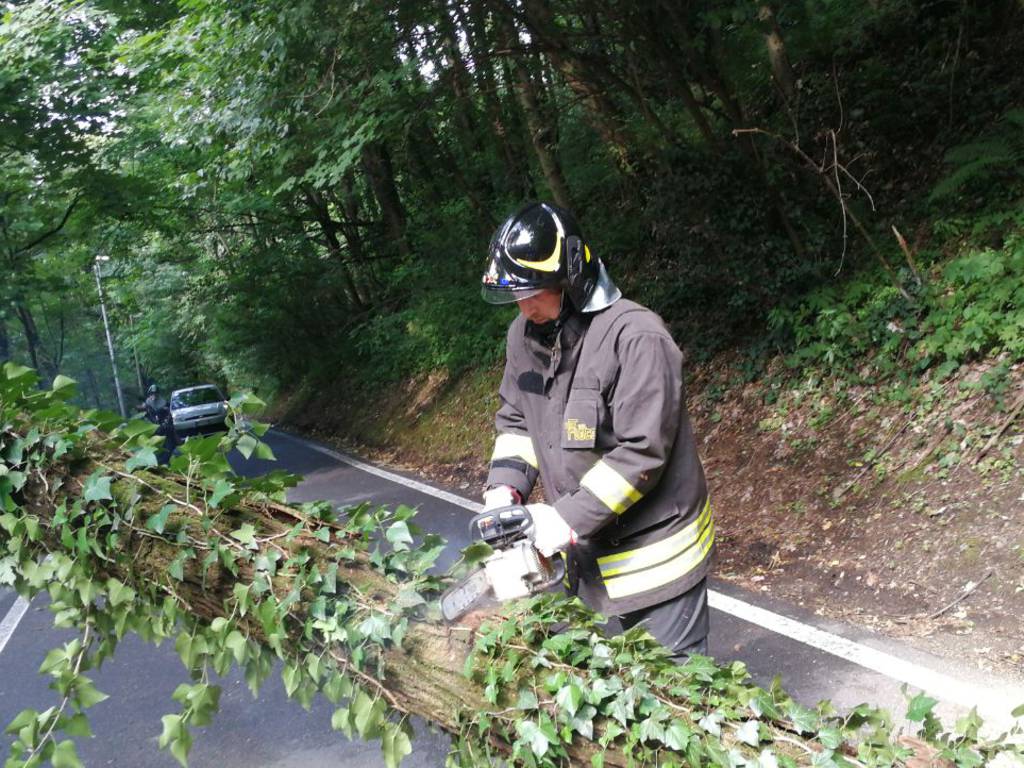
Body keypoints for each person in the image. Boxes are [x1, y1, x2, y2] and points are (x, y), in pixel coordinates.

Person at [480, 202, 714, 660]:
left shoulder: (637, 337)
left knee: (675, 700)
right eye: (517, 296)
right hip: (589, 556)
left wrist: (566, 518)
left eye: (535, 293)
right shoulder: (524, 338)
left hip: (657, 555)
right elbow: (517, 421)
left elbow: (642, 452)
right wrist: (504, 492)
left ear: (570, 278)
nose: (525, 307)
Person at [140, 384, 179, 464]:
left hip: (165, 432)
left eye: (155, 393)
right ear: (149, 394)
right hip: (153, 433)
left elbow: (169, 418)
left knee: (170, 445)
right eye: (152, 393)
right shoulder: (146, 407)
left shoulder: (164, 405)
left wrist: (165, 424)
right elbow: (144, 421)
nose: (154, 395)